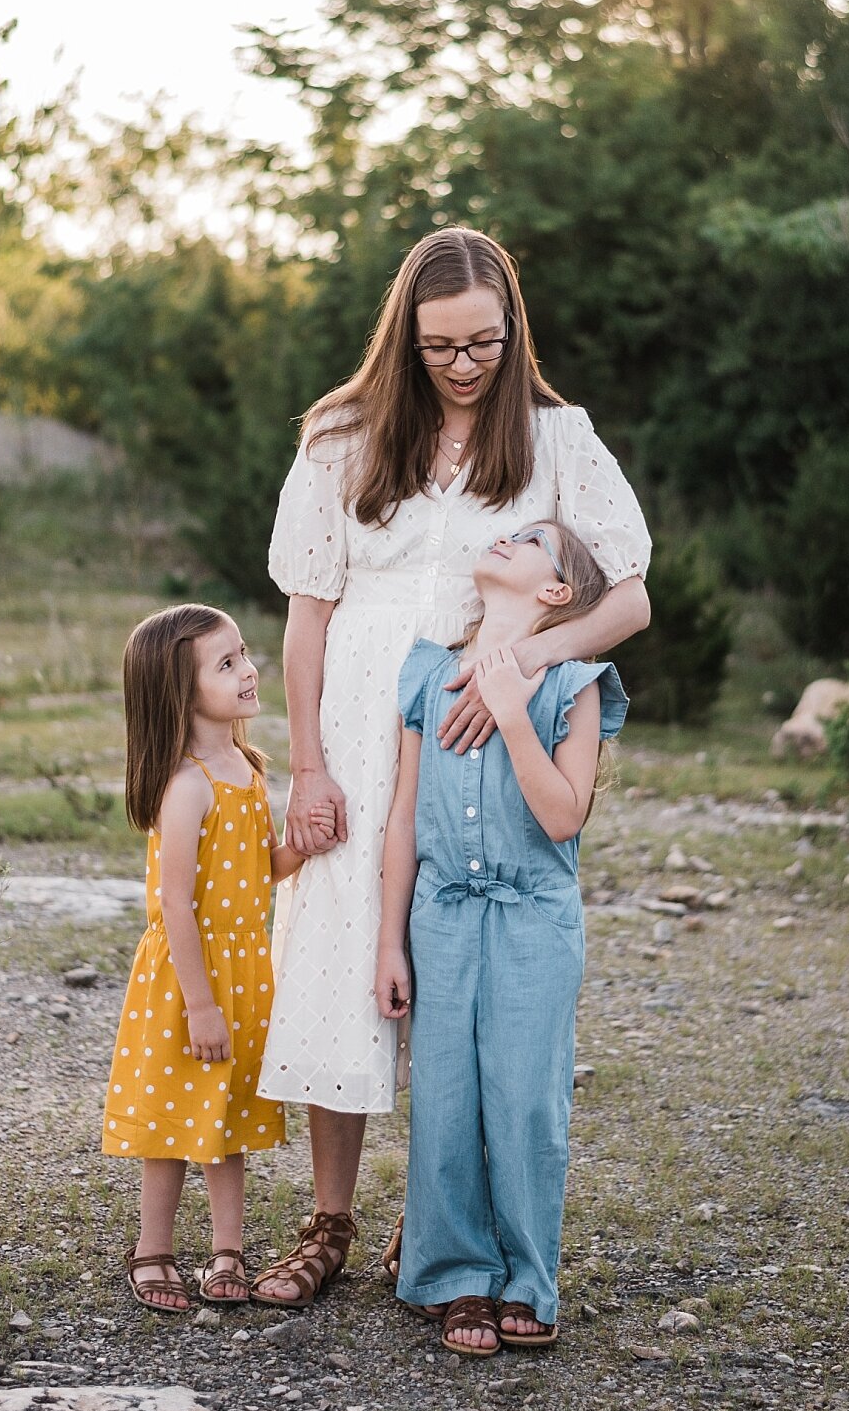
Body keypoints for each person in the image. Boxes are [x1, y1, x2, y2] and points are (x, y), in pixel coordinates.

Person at [250, 227, 650, 1310]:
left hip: (468, 724)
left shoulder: (557, 436)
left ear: (511, 328)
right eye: (440, 347)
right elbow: (305, 620)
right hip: (353, 713)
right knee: (344, 960)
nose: (464, 365)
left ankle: (440, 1222)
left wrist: (518, 659)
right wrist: (309, 766)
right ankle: (331, 1217)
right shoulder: (341, 435)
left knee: (453, 969)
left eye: (483, 342)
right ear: (405, 336)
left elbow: (628, 595)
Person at [374, 519, 626, 1354]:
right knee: (445, 1100)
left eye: (530, 541)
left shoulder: (576, 685)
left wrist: (515, 715)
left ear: (555, 592)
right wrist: (388, 942)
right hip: (440, 916)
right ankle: (458, 1278)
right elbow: (404, 818)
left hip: (533, 921)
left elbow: (562, 815)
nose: (505, 539)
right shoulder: (428, 673)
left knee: (523, 1103)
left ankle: (527, 1277)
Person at [102, 603, 330, 1310]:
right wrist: (200, 1002)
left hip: (238, 973)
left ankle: (227, 1251)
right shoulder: (188, 783)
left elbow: (256, 869)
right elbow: (175, 904)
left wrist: (306, 843)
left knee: (226, 1117)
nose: (249, 669)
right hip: (188, 977)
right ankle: (154, 1251)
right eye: (225, 664)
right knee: (172, 1121)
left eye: (244, 654)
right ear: (181, 690)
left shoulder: (247, 767)